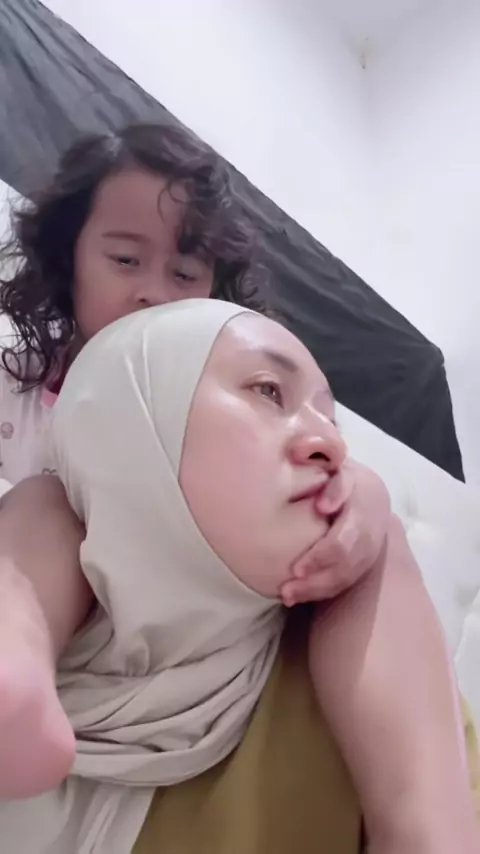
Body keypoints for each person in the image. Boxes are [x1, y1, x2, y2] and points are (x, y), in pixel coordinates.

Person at [1, 301, 478, 854]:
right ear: (133, 409)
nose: (333, 446)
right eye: (269, 391)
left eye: (332, 421)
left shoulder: (386, 702)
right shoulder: (32, 561)